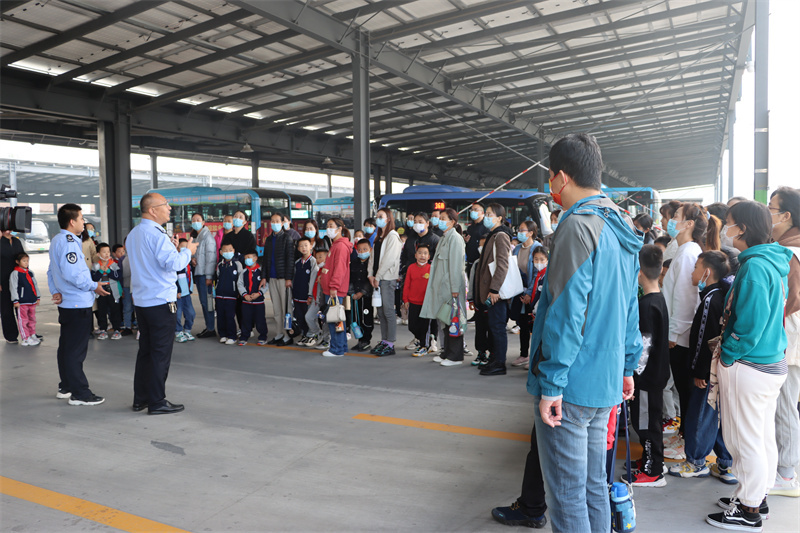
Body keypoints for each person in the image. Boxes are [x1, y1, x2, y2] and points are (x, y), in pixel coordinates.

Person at [523, 134, 641, 533]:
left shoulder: (577, 226)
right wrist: (627, 366)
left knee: (567, 497)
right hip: (605, 379)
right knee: (593, 488)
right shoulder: (620, 224)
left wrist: (552, 382)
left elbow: (566, 312)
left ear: (560, 177)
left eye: (550, 178)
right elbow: (630, 305)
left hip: (572, 384)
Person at [708, 201, 792, 531]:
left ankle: (748, 509)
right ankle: (756, 497)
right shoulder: (771, 260)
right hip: (769, 361)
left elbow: (749, 326)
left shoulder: (755, 267)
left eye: (729, 223)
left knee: (744, 440)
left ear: (742, 229)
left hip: (749, 364)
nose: (725, 229)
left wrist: (728, 353)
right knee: (760, 436)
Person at [127, 192, 198, 415]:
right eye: (165, 205)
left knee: (146, 352)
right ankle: (157, 401)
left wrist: (174, 250)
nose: (169, 208)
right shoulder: (157, 235)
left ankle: (141, 398)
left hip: (143, 301)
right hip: (160, 302)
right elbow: (173, 264)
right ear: (152, 210)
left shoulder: (134, 233)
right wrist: (187, 251)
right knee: (160, 353)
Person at [669, 251, 734, 482]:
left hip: (708, 372)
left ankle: (696, 462)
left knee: (699, 415)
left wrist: (699, 372)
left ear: (707, 272)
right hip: (722, 368)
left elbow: (704, 340)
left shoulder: (709, 300)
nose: (692, 272)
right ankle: (726, 463)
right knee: (717, 417)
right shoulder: (723, 295)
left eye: (696, 267)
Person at [662, 202, 720, 441]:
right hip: (679, 334)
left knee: (685, 391)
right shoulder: (683, 249)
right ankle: (684, 437)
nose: (671, 220)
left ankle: (686, 439)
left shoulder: (688, 253)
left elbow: (685, 299)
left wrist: (673, 334)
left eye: (676, 216)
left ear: (688, 224)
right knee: (683, 389)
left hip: (681, 337)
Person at [47, 203, 110, 406]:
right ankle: (80, 393)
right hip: (77, 304)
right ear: (72, 221)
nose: (84, 222)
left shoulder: (58, 240)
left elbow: (52, 270)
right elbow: (74, 274)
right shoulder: (68, 242)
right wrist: (94, 286)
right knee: (75, 350)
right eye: (82, 218)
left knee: (66, 347)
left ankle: (66, 386)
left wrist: (55, 291)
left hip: (67, 303)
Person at [625, 244, 670, 487]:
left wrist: (634, 375)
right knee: (651, 420)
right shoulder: (659, 299)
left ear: (638, 271)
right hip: (657, 375)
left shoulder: (645, 305)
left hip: (646, 379)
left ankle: (653, 471)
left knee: (645, 424)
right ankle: (652, 461)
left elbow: (643, 347)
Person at [768, 186, 800, 497]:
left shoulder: (791, 251)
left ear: (786, 215)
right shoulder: (786, 246)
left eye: (771, 208)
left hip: (790, 336)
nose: (768, 213)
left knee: (786, 404)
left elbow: (791, 299)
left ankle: (787, 474)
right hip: (788, 335)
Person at [421, 207, 467, 366]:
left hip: (450, 288)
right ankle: (447, 352)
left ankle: (455, 356)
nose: (439, 221)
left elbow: (456, 266)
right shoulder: (444, 237)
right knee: (445, 320)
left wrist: (455, 289)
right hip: (443, 288)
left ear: (452, 221)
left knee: (453, 321)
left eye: (443, 218)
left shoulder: (455, 238)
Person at [474, 202, 515, 376]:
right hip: (491, 290)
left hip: (496, 292)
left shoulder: (501, 236)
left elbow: (502, 264)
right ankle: (494, 359)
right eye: (486, 214)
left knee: (497, 327)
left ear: (499, 218)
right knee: (492, 326)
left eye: (490, 214)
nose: (487, 217)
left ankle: (499, 363)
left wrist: (495, 289)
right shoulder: (493, 235)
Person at [510, 221, 544, 368]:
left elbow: (537, 273)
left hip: (533, 292)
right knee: (522, 323)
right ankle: (524, 354)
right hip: (518, 291)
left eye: (522, 230)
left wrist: (530, 293)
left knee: (534, 325)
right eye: (519, 229)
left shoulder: (537, 248)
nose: (519, 232)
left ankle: (535, 356)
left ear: (531, 233)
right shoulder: (517, 248)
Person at [368, 208, 402, 356]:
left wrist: (378, 276)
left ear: (388, 218)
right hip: (377, 279)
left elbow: (389, 259)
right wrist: (370, 275)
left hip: (386, 279)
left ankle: (390, 343)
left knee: (388, 311)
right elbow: (372, 258)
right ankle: (384, 340)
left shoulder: (393, 236)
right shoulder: (379, 237)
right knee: (381, 312)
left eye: (380, 216)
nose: (378, 219)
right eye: (377, 216)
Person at [318, 217, 352, 357]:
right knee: (337, 318)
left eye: (331, 226)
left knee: (334, 319)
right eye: (327, 226)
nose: (328, 228)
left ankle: (336, 349)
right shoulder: (336, 244)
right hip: (332, 288)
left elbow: (339, 269)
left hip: (334, 290)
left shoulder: (340, 246)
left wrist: (334, 286)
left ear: (339, 229)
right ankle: (341, 346)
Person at [264, 212, 296, 346]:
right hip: (272, 278)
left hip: (283, 279)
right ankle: (279, 333)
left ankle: (288, 335)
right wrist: (264, 277)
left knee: (286, 309)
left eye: (277, 221)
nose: (274, 223)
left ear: (283, 223)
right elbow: (265, 260)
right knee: (276, 309)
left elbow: (290, 260)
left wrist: (288, 278)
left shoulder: (287, 238)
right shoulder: (268, 239)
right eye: (272, 221)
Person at [403, 244, 435, 357]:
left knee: (424, 326)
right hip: (413, 302)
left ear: (429, 256)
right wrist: (405, 300)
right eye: (420, 253)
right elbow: (407, 285)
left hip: (426, 303)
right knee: (412, 326)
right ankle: (425, 339)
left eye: (425, 253)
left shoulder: (431, 268)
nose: (422, 255)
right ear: (415, 255)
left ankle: (424, 346)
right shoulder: (411, 268)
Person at [190, 213, 217, 339]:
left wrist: (209, 276)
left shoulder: (207, 238)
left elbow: (211, 259)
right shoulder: (197, 237)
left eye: (198, 220)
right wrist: (192, 259)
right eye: (193, 220)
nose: (195, 222)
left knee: (207, 302)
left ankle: (211, 328)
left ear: (203, 222)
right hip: (199, 273)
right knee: (203, 302)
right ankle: (208, 326)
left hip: (205, 275)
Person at [297, 247, 329, 349]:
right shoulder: (319, 270)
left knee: (325, 321)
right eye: (317, 257)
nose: (318, 260)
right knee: (309, 317)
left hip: (324, 302)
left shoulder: (327, 270)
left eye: (321, 257)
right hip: (316, 301)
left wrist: (323, 281)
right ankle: (318, 334)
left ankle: (327, 340)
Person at [91, 242, 123, 340]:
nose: (106, 254)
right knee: (102, 311)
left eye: (108, 252)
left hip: (113, 292)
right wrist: (101, 271)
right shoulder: (95, 266)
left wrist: (109, 271)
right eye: (104, 252)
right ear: (98, 254)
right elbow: (94, 278)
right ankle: (103, 330)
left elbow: (118, 276)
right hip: (101, 292)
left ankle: (117, 329)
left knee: (115, 311)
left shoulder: (113, 264)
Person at [237, 249, 269, 346]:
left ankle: (263, 336)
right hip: (246, 302)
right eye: (246, 258)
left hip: (258, 302)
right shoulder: (244, 272)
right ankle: (244, 336)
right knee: (245, 320)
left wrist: (259, 293)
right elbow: (240, 284)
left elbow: (266, 284)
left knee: (260, 320)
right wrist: (245, 295)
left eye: (249, 257)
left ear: (255, 258)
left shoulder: (261, 271)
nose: (247, 260)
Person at [9, 251, 40, 346]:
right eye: (24, 261)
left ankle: (32, 334)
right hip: (22, 302)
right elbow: (13, 287)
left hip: (32, 301)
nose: (26, 263)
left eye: (27, 261)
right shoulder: (15, 273)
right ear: (17, 262)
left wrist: (37, 297)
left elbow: (35, 285)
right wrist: (15, 300)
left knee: (32, 319)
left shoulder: (30, 272)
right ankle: (25, 338)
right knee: (23, 320)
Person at [0, 229, 25, 343]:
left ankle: (27, 333)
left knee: (22, 307)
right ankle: (11, 335)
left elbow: (23, 259)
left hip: (18, 279)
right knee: (6, 309)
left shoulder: (16, 241)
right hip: (3, 280)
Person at [349, 238, 374, 352]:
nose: (362, 251)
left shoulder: (372, 263)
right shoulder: (354, 263)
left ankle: (366, 340)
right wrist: (352, 292)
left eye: (365, 249)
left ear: (370, 249)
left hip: (366, 297)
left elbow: (370, 281)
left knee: (366, 319)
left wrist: (362, 292)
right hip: (355, 296)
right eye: (359, 249)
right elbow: (350, 279)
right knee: (356, 318)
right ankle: (360, 340)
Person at [215, 243, 241, 345]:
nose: (228, 252)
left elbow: (240, 279)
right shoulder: (219, 265)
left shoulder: (237, 264)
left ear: (233, 250)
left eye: (230, 250)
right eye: (225, 251)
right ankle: (223, 335)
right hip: (219, 295)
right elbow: (217, 277)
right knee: (220, 315)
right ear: (221, 252)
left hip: (231, 295)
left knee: (230, 316)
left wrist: (238, 292)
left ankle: (232, 336)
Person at [292, 238, 316, 345]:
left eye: (306, 245)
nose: (304, 248)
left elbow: (313, 280)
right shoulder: (297, 262)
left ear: (311, 246)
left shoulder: (313, 262)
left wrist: (310, 295)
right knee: (300, 317)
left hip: (307, 296)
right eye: (301, 246)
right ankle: (304, 335)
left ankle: (312, 335)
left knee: (308, 317)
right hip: (297, 296)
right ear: (298, 248)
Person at [174, 238, 196, 343]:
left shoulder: (189, 263)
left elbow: (190, 277)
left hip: (187, 294)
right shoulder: (176, 263)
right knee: (177, 314)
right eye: (183, 247)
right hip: (178, 295)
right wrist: (177, 290)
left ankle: (187, 330)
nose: (186, 249)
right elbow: (173, 278)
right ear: (178, 249)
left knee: (191, 313)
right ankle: (178, 331)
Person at [113, 243, 135, 336]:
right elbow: (121, 275)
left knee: (139, 308)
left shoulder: (139, 255)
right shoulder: (122, 259)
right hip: (126, 286)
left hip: (138, 287)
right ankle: (127, 327)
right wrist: (121, 289)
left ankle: (140, 327)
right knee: (127, 307)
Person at [465, 203, 489, 274]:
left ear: (482, 212)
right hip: (470, 262)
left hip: (480, 263)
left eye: (475, 210)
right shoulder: (470, 227)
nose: (473, 212)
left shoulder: (486, 226)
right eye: (471, 210)